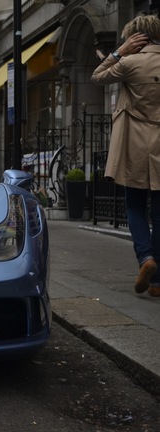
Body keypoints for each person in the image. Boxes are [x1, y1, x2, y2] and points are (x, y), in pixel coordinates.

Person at [91, 14, 160, 297]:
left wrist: (119, 53)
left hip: (136, 143)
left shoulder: (129, 63)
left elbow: (97, 76)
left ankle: (146, 259)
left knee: (134, 205)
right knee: (159, 209)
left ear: (135, 37)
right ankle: (157, 284)